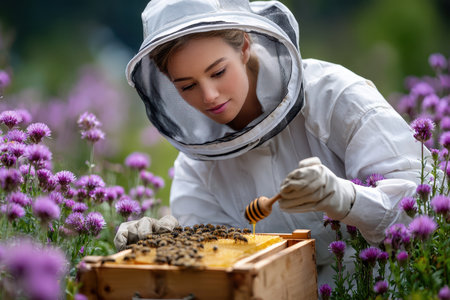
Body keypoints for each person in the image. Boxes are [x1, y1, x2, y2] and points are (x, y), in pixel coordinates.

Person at [119, 0, 427, 287]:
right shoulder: (196, 166)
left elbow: (427, 211)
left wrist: (346, 199)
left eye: (218, 72)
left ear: (244, 46)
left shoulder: (334, 97)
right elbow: (214, 273)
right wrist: (164, 242)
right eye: (187, 86)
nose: (209, 95)